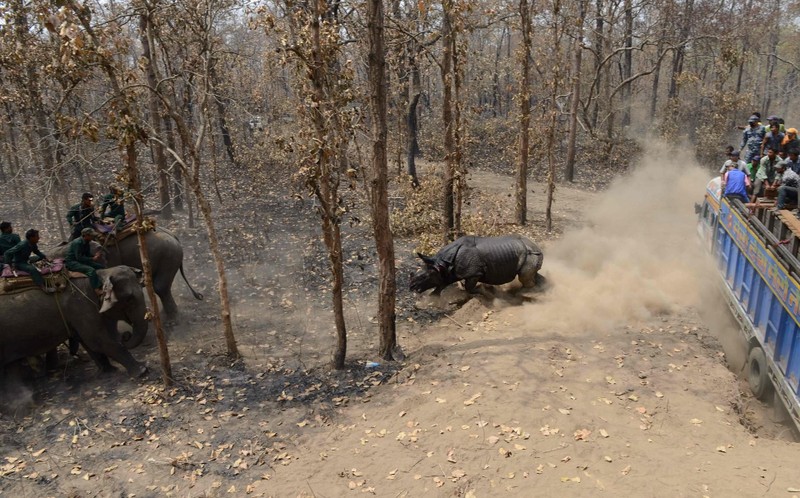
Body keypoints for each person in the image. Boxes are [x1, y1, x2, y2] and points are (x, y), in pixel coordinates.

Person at [64, 227, 105, 296]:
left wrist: (95, 256)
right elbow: (79, 257)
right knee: (91, 270)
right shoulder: (77, 243)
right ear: (86, 235)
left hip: (81, 260)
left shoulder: (87, 242)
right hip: (73, 262)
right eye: (91, 235)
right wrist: (92, 259)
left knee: (100, 266)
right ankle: (97, 289)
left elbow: (87, 254)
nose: (92, 237)